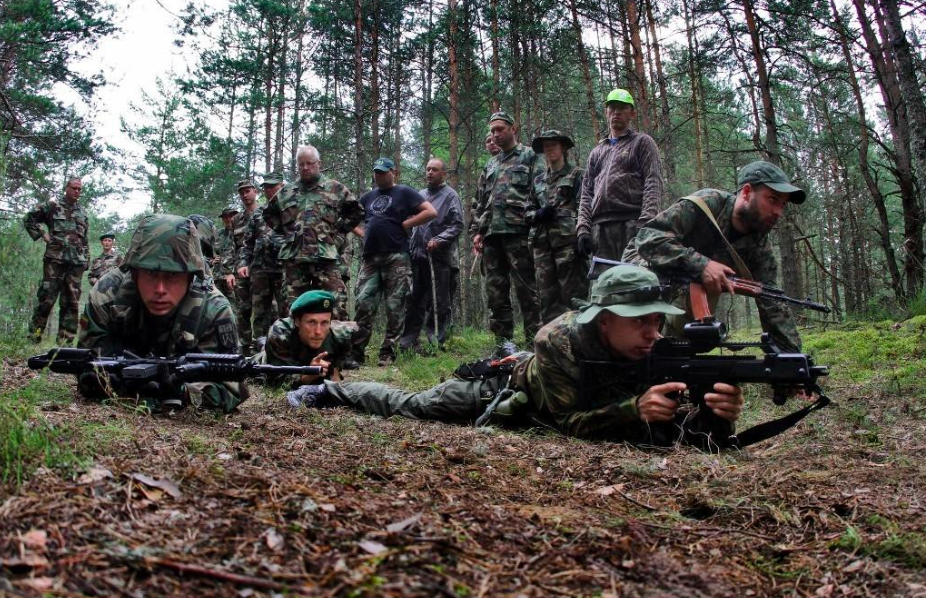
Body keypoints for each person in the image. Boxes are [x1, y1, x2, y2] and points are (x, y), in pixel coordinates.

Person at [286, 264, 743, 450]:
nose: (652, 332)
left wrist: (718, 417)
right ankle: (329, 389)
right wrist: (632, 410)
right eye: (638, 321)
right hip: (510, 389)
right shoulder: (560, 340)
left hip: (571, 401)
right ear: (604, 319)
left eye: (656, 320)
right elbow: (565, 423)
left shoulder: (660, 349)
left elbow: (685, 434)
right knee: (418, 406)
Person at [623, 160, 807, 354]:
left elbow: (772, 303)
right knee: (648, 287)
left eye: (783, 204)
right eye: (772, 199)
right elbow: (648, 238)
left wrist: (793, 359)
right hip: (645, 269)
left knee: (688, 336)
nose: (778, 211)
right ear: (746, 192)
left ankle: (669, 358)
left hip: (688, 290)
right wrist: (702, 265)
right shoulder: (706, 204)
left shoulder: (759, 245)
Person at [77, 214, 244, 412]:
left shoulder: (213, 309)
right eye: (151, 273)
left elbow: (233, 387)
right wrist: (106, 378)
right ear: (135, 272)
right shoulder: (107, 294)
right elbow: (86, 358)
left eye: (172, 276)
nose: (160, 289)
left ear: (191, 277)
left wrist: (183, 393)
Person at [350, 157, 437, 366]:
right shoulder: (368, 197)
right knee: (363, 303)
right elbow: (350, 219)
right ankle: (356, 353)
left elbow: (430, 211)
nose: (379, 175)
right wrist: (364, 234)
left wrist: (407, 223)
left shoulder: (405, 192)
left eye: (383, 172)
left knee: (395, 305)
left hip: (397, 256)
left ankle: (387, 353)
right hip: (371, 257)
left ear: (393, 172)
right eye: (376, 172)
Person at [263, 145, 364, 320]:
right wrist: (289, 234)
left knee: (335, 304)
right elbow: (269, 215)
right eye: (301, 164)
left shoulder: (335, 188)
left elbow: (357, 212)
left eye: (309, 163)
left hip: (324, 257)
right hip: (293, 259)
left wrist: (336, 231)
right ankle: (295, 346)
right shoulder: (286, 192)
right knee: (292, 309)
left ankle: (335, 346)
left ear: (319, 164)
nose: (305, 168)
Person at [471, 112, 543, 355]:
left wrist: (534, 224)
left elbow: (541, 192)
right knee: (496, 292)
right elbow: (480, 200)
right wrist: (477, 231)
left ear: (514, 128)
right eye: (492, 131)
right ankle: (503, 344)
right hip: (492, 236)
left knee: (528, 290)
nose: (495, 134)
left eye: (500, 129)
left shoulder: (530, 157)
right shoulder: (491, 164)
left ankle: (535, 341)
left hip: (519, 234)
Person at [577, 88, 664, 262]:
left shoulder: (641, 142)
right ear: (606, 112)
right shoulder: (597, 152)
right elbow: (586, 194)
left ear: (631, 113)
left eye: (622, 108)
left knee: (633, 282)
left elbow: (653, 182)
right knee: (605, 285)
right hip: (600, 230)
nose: (617, 112)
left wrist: (646, 222)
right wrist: (582, 229)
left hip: (632, 223)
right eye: (613, 107)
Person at [399, 158, 464, 351]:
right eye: (427, 169)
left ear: (443, 173)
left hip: (439, 257)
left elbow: (457, 224)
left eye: (434, 170)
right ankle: (408, 342)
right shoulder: (420, 195)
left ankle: (436, 341)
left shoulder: (451, 196)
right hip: (417, 256)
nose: (429, 173)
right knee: (414, 300)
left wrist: (440, 239)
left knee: (439, 301)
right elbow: (411, 222)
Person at [527, 130, 588, 324]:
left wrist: (583, 234)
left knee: (574, 294)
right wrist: (538, 214)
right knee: (547, 296)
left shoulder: (577, 174)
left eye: (553, 145)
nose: (550, 149)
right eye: (546, 146)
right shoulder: (538, 181)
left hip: (568, 244)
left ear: (563, 147)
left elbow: (584, 206)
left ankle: (580, 339)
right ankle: (552, 342)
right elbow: (527, 212)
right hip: (542, 246)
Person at [24, 177, 90, 343]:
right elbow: (29, 218)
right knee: (46, 299)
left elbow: (85, 239)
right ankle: (34, 338)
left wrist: (86, 259)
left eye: (80, 189)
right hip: (55, 262)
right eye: (74, 188)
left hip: (76, 265)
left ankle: (64, 343)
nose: (77, 191)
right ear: (66, 188)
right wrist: (42, 234)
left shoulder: (82, 213)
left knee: (71, 304)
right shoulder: (52, 206)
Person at [257, 290, 356, 388]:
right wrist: (309, 375)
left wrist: (335, 375)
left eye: (324, 323)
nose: (318, 331)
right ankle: (263, 345)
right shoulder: (280, 334)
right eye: (312, 322)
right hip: (279, 359)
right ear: (297, 321)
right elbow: (279, 381)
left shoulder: (342, 335)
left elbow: (337, 366)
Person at [238, 172, 287, 349]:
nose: (269, 190)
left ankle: (286, 348)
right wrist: (243, 263)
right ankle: (259, 348)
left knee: (286, 311)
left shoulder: (291, 211)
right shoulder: (259, 213)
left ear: (282, 186)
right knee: (260, 313)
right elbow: (247, 243)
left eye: (273, 186)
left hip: (284, 269)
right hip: (260, 271)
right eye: (266, 187)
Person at [231, 179, 259, 353]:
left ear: (255, 192)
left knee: (265, 309)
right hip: (242, 269)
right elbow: (233, 247)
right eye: (241, 192)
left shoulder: (265, 213)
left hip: (262, 268)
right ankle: (244, 345)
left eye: (247, 191)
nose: (244, 195)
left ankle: (262, 344)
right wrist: (231, 271)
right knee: (243, 309)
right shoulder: (236, 220)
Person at [215, 206, 239, 306]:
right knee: (218, 304)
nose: (228, 219)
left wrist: (231, 272)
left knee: (235, 305)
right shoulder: (219, 233)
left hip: (235, 276)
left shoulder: (242, 232)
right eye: (225, 217)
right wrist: (212, 259)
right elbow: (212, 251)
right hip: (218, 276)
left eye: (231, 216)